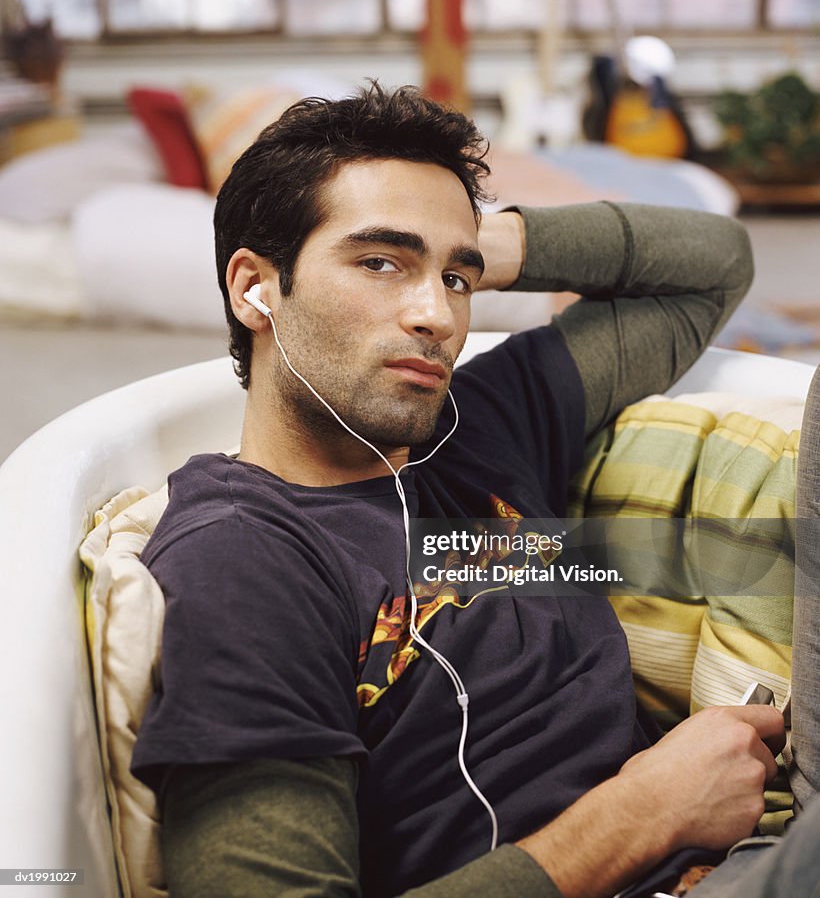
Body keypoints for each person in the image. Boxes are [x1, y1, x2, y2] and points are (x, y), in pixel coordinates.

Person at [132, 83, 789, 898]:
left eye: (456, 281)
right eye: (380, 262)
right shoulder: (243, 559)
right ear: (253, 288)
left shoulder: (481, 427)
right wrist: (644, 814)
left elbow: (712, 264)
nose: (436, 314)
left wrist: (482, 242)